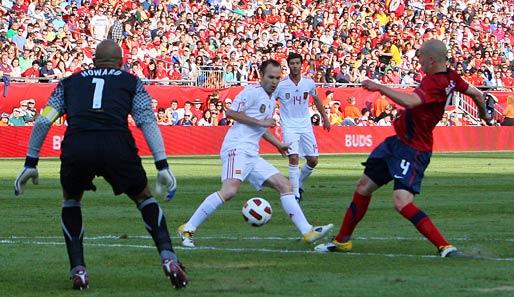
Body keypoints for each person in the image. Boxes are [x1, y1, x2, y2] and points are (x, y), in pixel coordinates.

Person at [13, 40, 187, 290]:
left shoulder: (69, 83)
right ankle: (168, 258)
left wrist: (31, 161)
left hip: (78, 145)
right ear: (121, 62)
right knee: (144, 198)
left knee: (71, 200)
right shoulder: (131, 81)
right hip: (117, 144)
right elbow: (146, 121)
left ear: (93, 61)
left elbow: (43, 121)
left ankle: (79, 270)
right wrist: (162, 164)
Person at [314, 39, 490, 258]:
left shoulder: (434, 82)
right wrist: (483, 115)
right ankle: (342, 241)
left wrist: (379, 87)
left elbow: (411, 102)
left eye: (420, 57)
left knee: (401, 202)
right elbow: (477, 94)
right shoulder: (451, 78)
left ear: (432, 59)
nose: (418, 60)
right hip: (397, 143)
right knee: (363, 186)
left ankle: (445, 246)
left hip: (414, 148)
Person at [177, 59, 333, 248]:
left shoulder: (269, 99)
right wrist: (261, 123)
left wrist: (278, 144)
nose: (274, 81)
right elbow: (231, 114)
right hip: (237, 148)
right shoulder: (252, 92)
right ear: (261, 75)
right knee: (229, 191)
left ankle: (307, 231)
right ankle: (188, 227)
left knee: (286, 186)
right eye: (270, 77)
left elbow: (262, 128)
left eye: (277, 78)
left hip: (251, 153)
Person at [274, 52, 331, 202]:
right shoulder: (281, 85)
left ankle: (297, 183)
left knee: (313, 160)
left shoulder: (308, 83)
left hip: (305, 126)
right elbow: (270, 100)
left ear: (301, 65)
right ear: (288, 65)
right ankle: (295, 195)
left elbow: (317, 99)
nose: (295, 66)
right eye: (292, 63)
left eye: (297, 63)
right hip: (289, 126)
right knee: (293, 157)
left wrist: (325, 118)